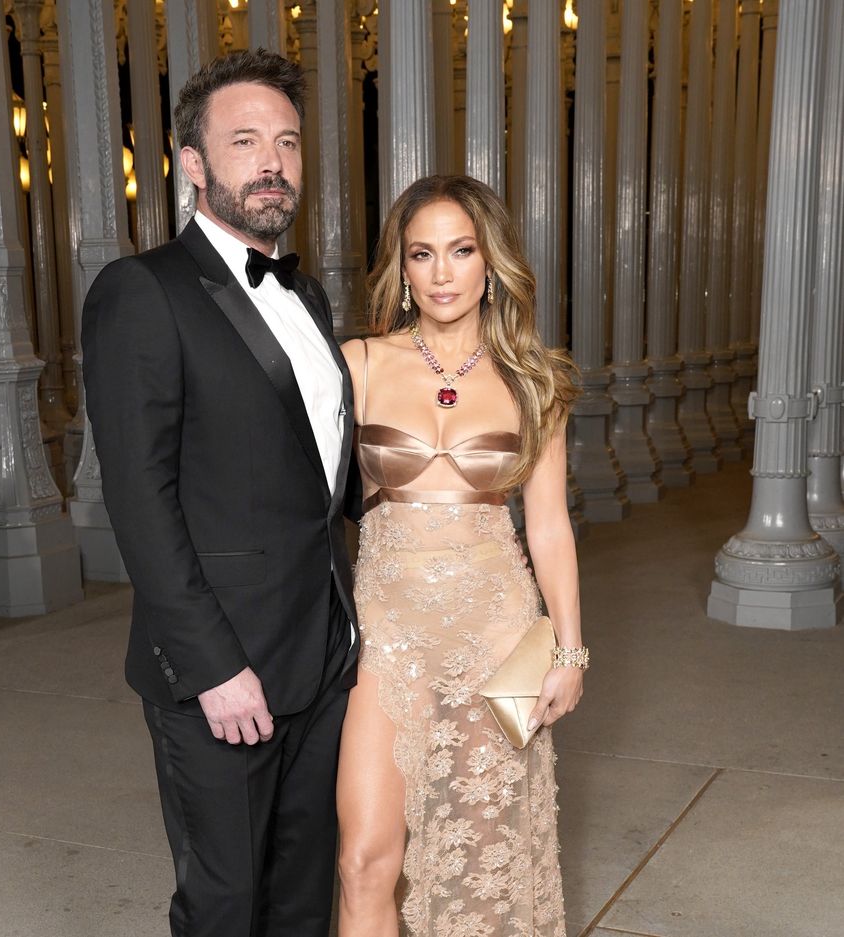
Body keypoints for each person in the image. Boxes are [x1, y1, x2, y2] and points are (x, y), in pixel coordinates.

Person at [81, 49, 359, 937]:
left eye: (285, 140)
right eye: (244, 141)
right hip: (222, 672)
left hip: (324, 654)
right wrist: (213, 669)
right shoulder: (142, 292)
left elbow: (319, 479)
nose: (271, 161)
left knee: (303, 895)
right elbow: (139, 499)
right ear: (193, 163)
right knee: (226, 903)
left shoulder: (309, 295)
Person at [336, 175, 587, 937]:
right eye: (422, 254)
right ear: (402, 269)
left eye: (460, 250)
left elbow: (547, 525)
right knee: (364, 859)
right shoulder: (358, 363)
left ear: (490, 262)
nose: (442, 272)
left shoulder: (534, 379)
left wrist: (570, 650)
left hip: (495, 634)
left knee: (484, 862)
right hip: (385, 635)